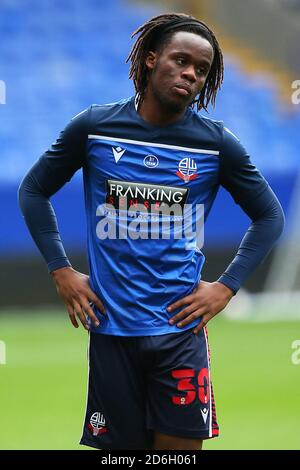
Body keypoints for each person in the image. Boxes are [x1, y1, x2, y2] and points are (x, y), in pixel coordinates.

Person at [18, 12, 285, 450]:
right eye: (181, 61)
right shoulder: (95, 127)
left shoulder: (215, 143)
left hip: (179, 333)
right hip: (111, 331)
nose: (190, 75)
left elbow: (269, 216)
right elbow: (33, 190)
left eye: (201, 70)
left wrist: (226, 287)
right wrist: (61, 270)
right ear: (149, 58)